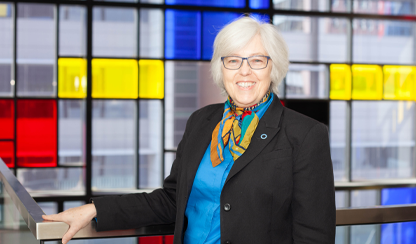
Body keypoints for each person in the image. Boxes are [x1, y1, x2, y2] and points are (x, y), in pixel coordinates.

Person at [43, 16, 336, 244]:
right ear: (221, 69)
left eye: (257, 61)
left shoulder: (305, 135)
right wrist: (95, 210)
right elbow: (171, 199)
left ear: (274, 68)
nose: (244, 71)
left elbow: (314, 235)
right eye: (233, 61)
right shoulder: (201, 122)